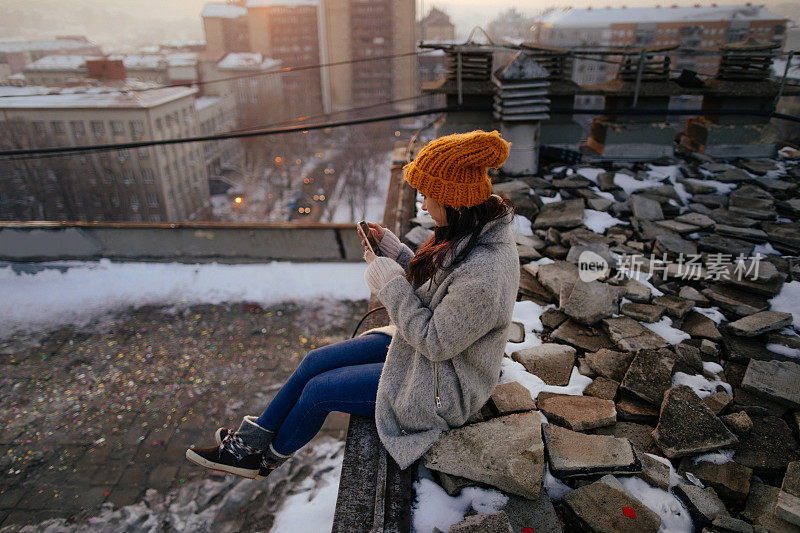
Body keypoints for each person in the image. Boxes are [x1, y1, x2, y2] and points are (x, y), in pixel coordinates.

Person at [185, 129, 521, 479]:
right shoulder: (472, 230)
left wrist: (390, 285)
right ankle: (249, 443)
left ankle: (263, 461)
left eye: (427, 196)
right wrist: (396, 253)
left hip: (445, 386)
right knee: (314, 361)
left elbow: (435, 343)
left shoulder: (485, 272)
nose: (422, 206)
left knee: (319, 391)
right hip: (428, 356)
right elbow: (441, 294)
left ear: (452, 198)